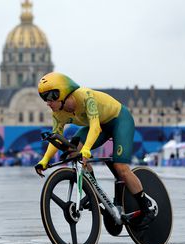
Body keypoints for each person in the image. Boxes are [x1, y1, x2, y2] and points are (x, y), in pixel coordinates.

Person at [33, 72, 155, 227]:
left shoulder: (85, 97)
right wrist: (44, 160)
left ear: (62, 92)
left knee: (120, 167)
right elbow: (56, 137)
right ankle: (95, 193)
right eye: (44, 98)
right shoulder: (58, 113)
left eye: (50, 97)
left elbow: (95, 127)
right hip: (99, 125)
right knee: (72, 151)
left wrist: (87, 150)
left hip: (119, 120)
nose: (47, 103)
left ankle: (147, 207)